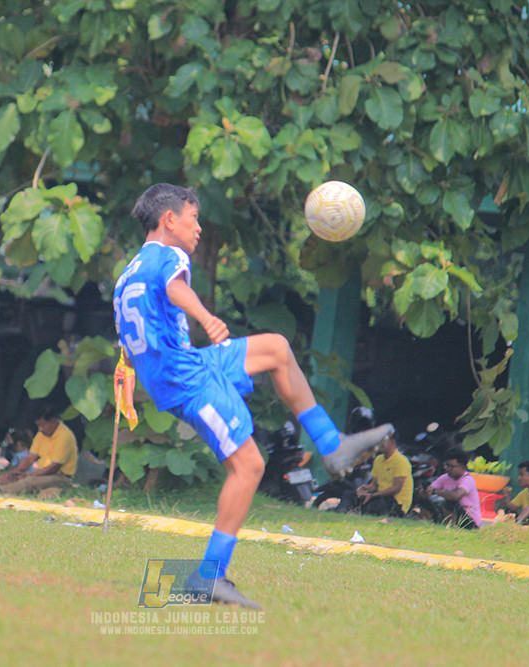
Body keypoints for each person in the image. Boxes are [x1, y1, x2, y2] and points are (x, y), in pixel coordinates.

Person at [112, 183, 392, 609]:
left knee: (277, 349)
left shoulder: (129, 270)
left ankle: (332, 446)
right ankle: (209, 577)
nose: (199, 227)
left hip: (185, 366)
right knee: (249, 466)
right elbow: (175, 289)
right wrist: (206, 316)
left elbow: (140, 329)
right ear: (169, 219)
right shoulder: (169, 255)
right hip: (186, 377)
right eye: (193, 217)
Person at [0, 406, 78, 495]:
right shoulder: (41, 434)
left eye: (43, 425)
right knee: (12, 477)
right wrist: (16, 472)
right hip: (44, 472)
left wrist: (29, 475)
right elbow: (30, 458)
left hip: (61, 477)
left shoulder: (65, 437)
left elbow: (54, 467)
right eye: (38, 425)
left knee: (29, 481)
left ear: (54, 421)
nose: (40, 429)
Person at [354, 431, 413, 517]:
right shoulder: (378, 459)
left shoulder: (401, 461)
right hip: (379, 496)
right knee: (350, 495)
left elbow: (396, 488)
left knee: (371, 507)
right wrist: (364, 489)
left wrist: (372, 495)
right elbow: (374, 485)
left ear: (392, 442)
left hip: (396, 502)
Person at [420, 447, 481, 529]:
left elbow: (455, 496)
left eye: (451, 467)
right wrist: (425, 492)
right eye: (446, 465)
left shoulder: (468, 480)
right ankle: (426, 522)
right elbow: (431, 488)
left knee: (450, 503)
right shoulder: (445, 477)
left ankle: (450, 527)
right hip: (453, 514)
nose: (447, 469)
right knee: (423, 499)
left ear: (462, 467)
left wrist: (436, 492)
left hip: (468, 522)